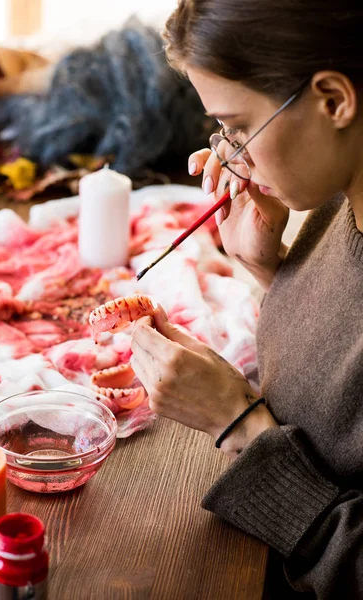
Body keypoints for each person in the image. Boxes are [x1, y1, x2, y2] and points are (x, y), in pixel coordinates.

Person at [130, 1, 363, 598]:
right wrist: (273, 271)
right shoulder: (343, 201)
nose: (231, 155)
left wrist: (237, 422)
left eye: (239, 127)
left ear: (335, 100)